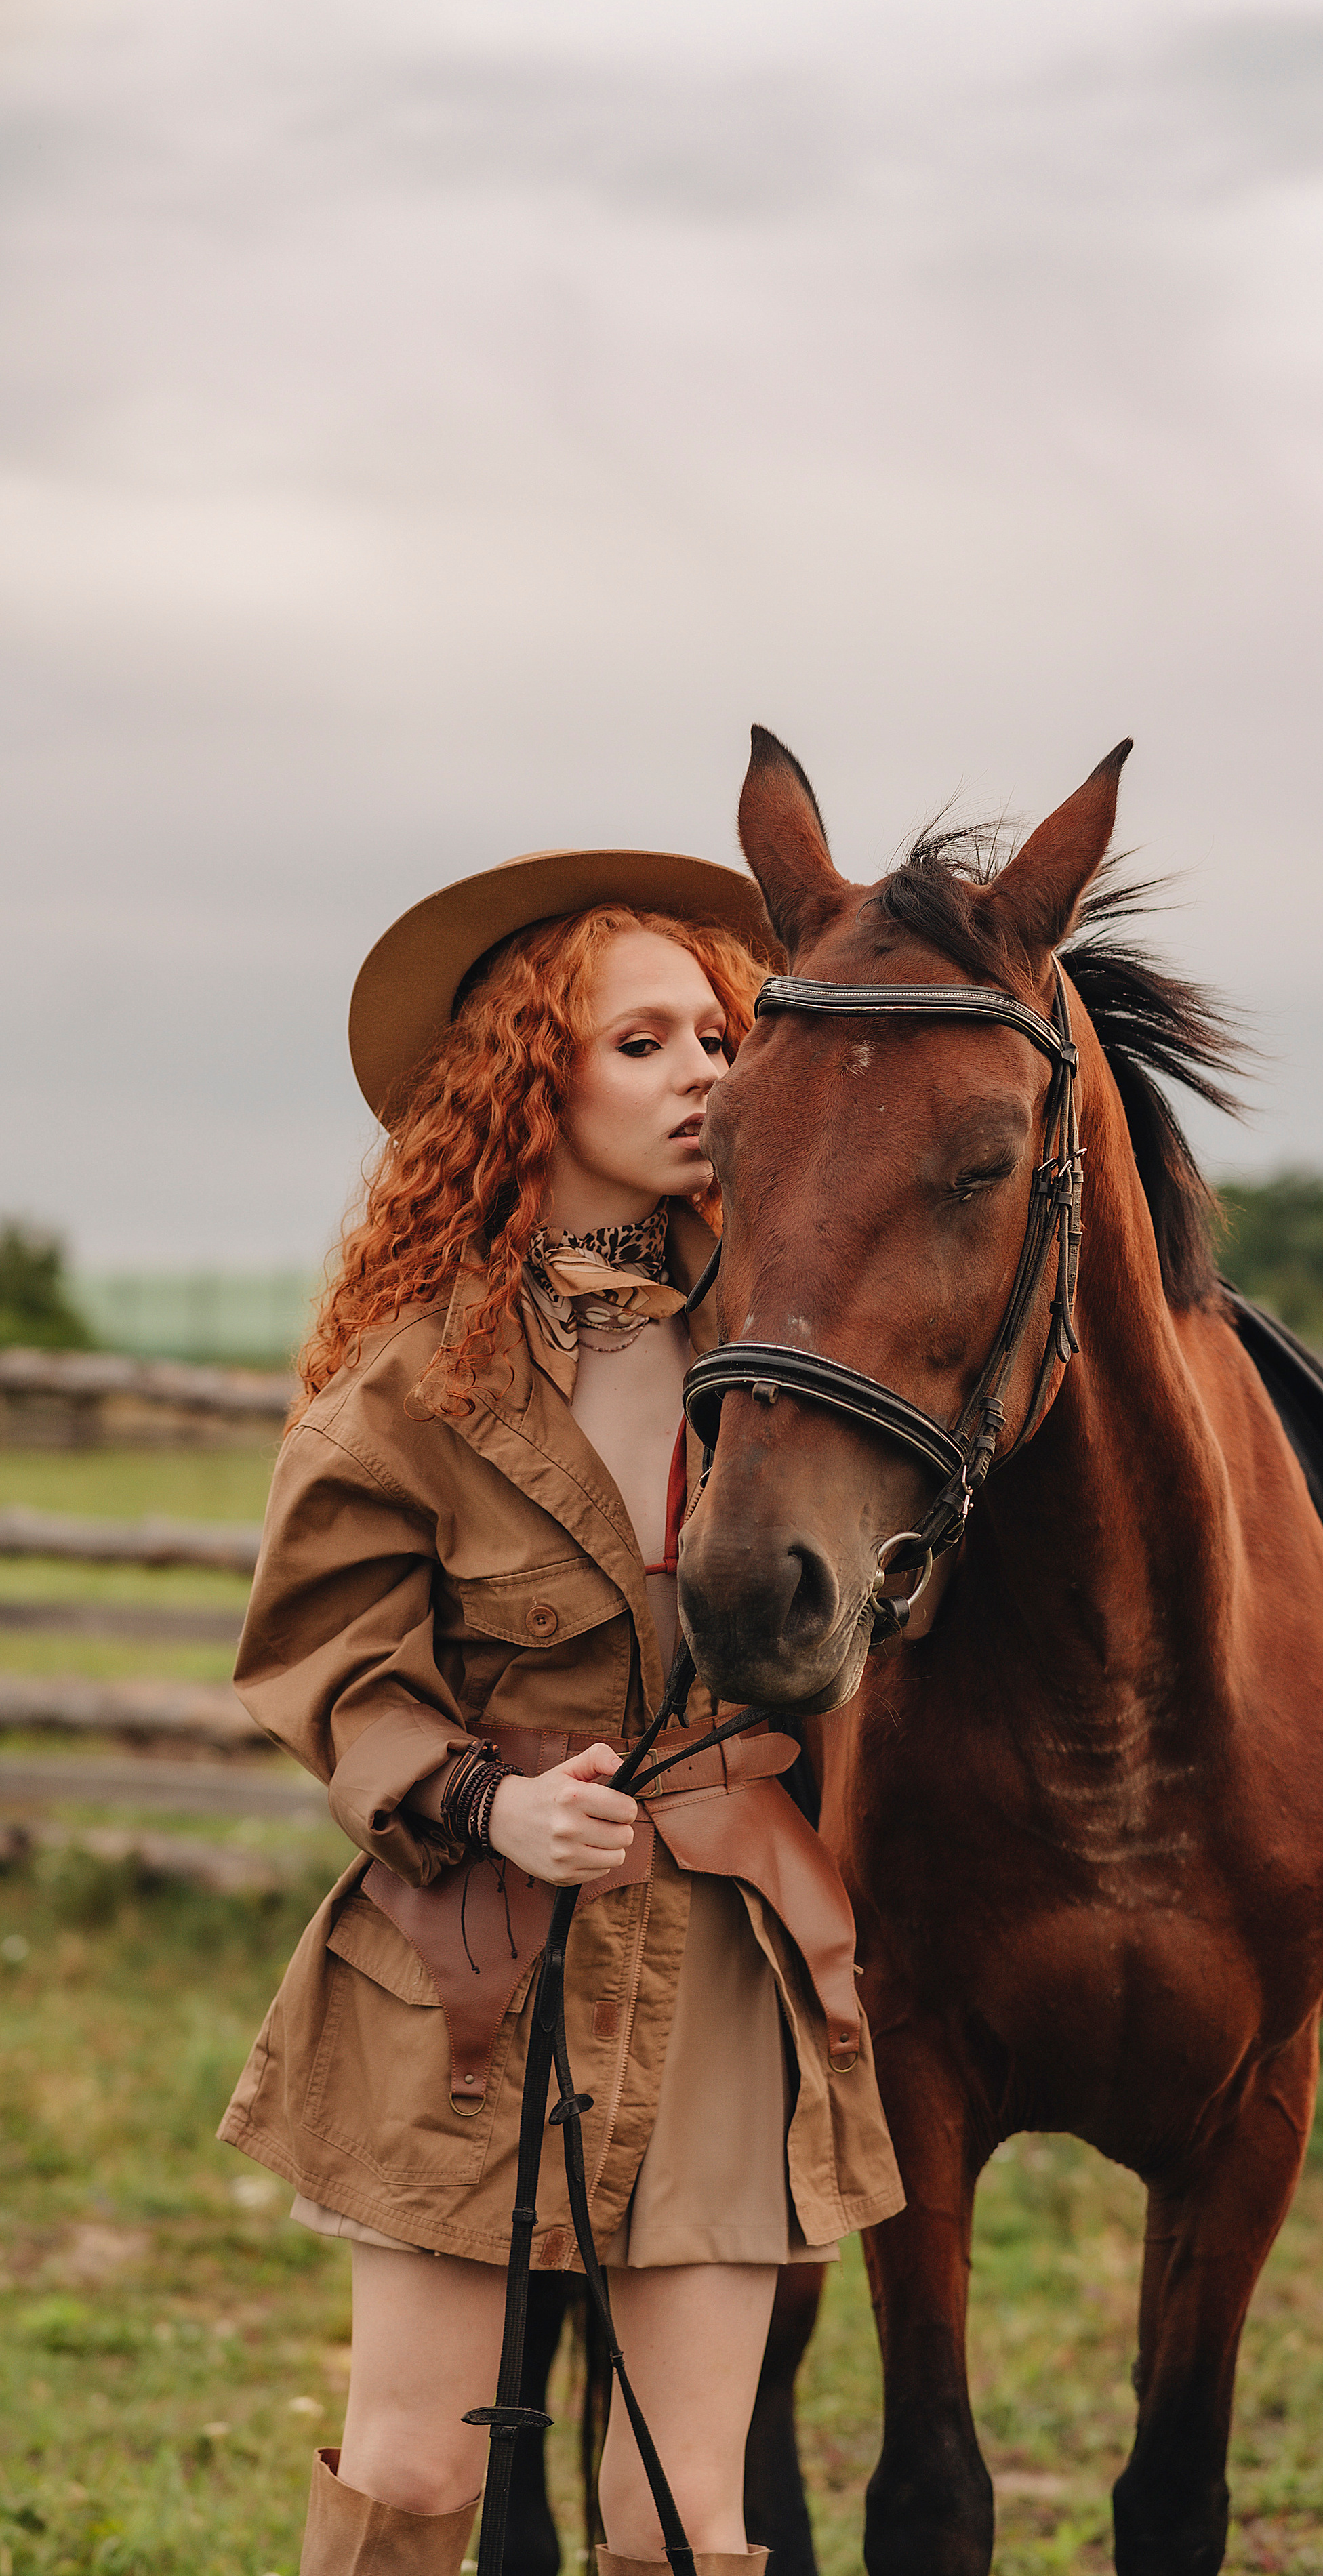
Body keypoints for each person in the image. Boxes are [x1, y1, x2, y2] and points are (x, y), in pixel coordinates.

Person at [218, 848, 905, 2575]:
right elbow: (325, 1658)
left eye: (714, 1035)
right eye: (643, 1041)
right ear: (536, 1078)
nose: (702, 1072)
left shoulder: (791, 1355)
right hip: (470, 1952)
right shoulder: (412, 1375)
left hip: (723, 1966)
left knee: (682, 2517)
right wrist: (481, 1800)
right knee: (419, 2473)